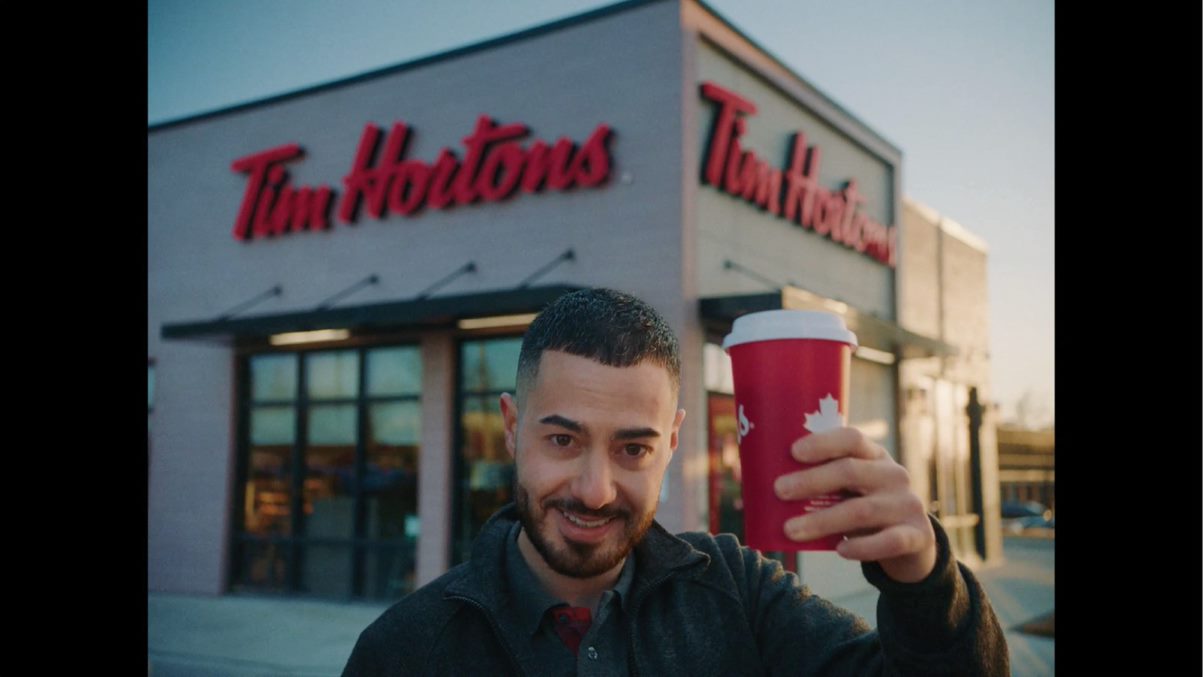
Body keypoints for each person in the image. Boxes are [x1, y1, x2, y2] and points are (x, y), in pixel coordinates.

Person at [341, 288, 1008, 676]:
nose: (596, 489)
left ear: (673, 444)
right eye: (563, 438)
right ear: (512, 429)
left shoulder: (740, 593)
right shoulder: (407, 650)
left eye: (634, 447)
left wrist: (924, 578)